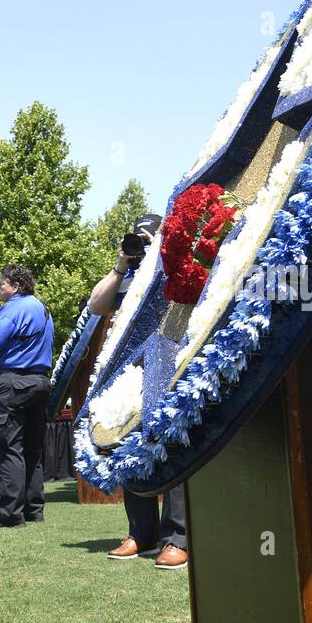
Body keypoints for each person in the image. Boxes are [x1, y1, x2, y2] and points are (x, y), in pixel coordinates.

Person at [86, 223, 188, 568]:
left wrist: (164, 251)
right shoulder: (127, 275)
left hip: (172, 360)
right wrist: (121, 264)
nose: (142, 244)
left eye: (149, 237)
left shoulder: (177, 261)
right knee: (131, 445)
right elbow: (97, 305)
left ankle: (177, 536)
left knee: (170, 444)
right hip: (134, 370)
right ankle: (142, 534)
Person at [0, 263, 54, 527]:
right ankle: (34, 510)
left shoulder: (12, 308)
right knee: (32, 448)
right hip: (40, 382)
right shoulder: (42, 308)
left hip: (11, 383)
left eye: (2, 284)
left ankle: (10, 514)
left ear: (16, 286)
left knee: (6, 445)